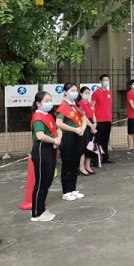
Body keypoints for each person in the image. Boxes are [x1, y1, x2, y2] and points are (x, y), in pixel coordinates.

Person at [29, 91, 61, 222]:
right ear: (38, 103)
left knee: (48, 179)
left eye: (50, 100)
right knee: (41, 181)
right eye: (46, 101)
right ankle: (36, 213)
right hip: (42, 149)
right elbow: (40, 135)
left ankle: (41, 208)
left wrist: (58, 139)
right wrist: (54, 140)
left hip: (51, 148)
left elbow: (58, 129)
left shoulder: (48, 115)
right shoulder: (38, 117)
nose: (49, 103)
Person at [56, 83, 88, 201]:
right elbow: (59, 123)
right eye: (72, 90)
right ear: (65, 92)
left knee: (75, 163)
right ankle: (66, 191)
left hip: (78, 136)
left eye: (76, 90)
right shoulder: (63, 107)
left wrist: (82, 129)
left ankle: (73, 189)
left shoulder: (77, 106)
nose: (75, 92)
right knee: (67, 165)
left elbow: (84, 119)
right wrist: (74, 129)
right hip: (68, 137)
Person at [91, 74, 114, 164]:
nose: (106, 82)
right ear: (100, 81)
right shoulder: (96, 93)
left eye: (107, 80)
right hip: (99, 121)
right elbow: (92, 107)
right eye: (104, 80)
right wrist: (94, 120)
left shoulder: (109, 93)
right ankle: (95, 159)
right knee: (97, 140)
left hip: (107, 120)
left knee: (105, 140)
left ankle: (105, 157)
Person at [78, 86, 98, 174]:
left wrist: (95, 123)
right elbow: (84, 117)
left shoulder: (89, 103)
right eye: (86, 93)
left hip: (91, 124)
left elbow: (93, 114)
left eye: (88, 93)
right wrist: (91, 125)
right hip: (85, 125)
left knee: (91, 146)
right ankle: (81, 167)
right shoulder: (80, 104)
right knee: (84, 147)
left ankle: (88, 166)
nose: (87, 94)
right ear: (81, 93)